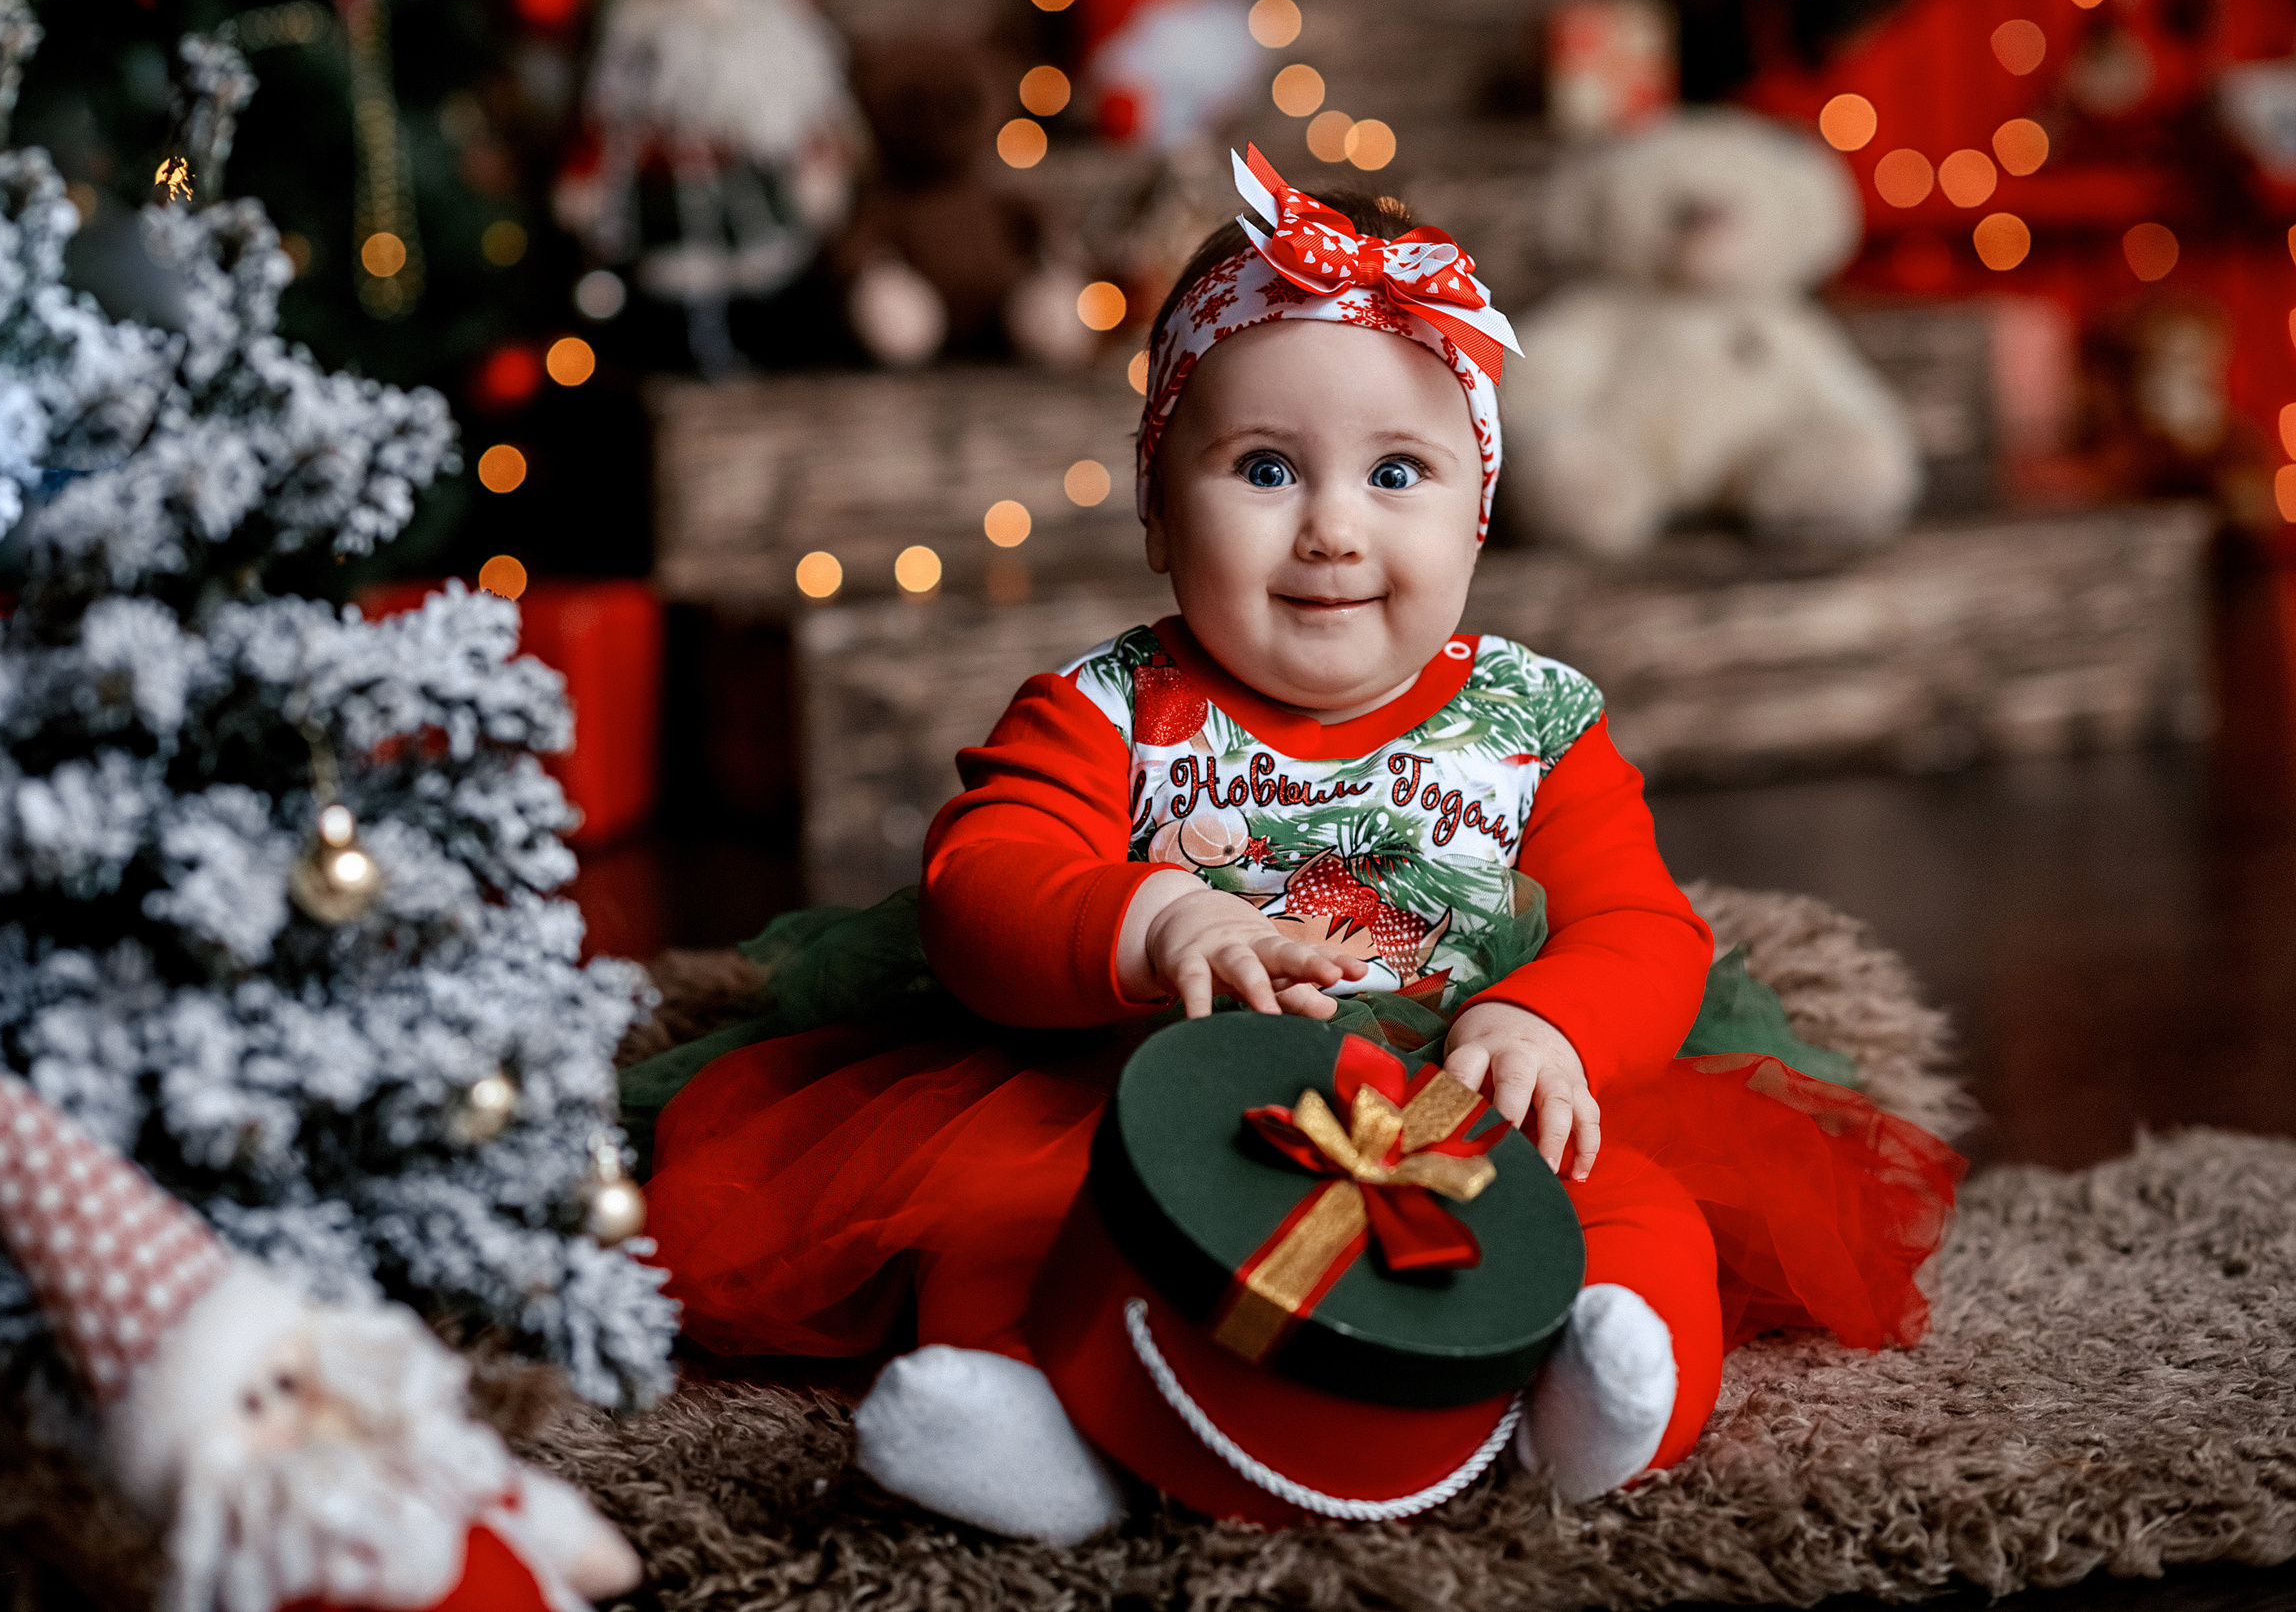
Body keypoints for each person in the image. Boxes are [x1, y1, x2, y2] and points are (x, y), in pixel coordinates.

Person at [642, 147, 1960, 1542]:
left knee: (1634, 1208)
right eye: (1265, 469)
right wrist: (1150, 922)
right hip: (1147, 1086)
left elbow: (1642, 926)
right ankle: (1035, 1416)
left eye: (1398, 472)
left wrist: (1550, 1023)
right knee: (1003, 1208)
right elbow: (983, 885)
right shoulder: (1104, 708)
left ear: (1479, 512)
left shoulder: (1538, 723)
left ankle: (1602, 1389)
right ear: (1159, 507)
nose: (1332, 528)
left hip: (1463, 1091)